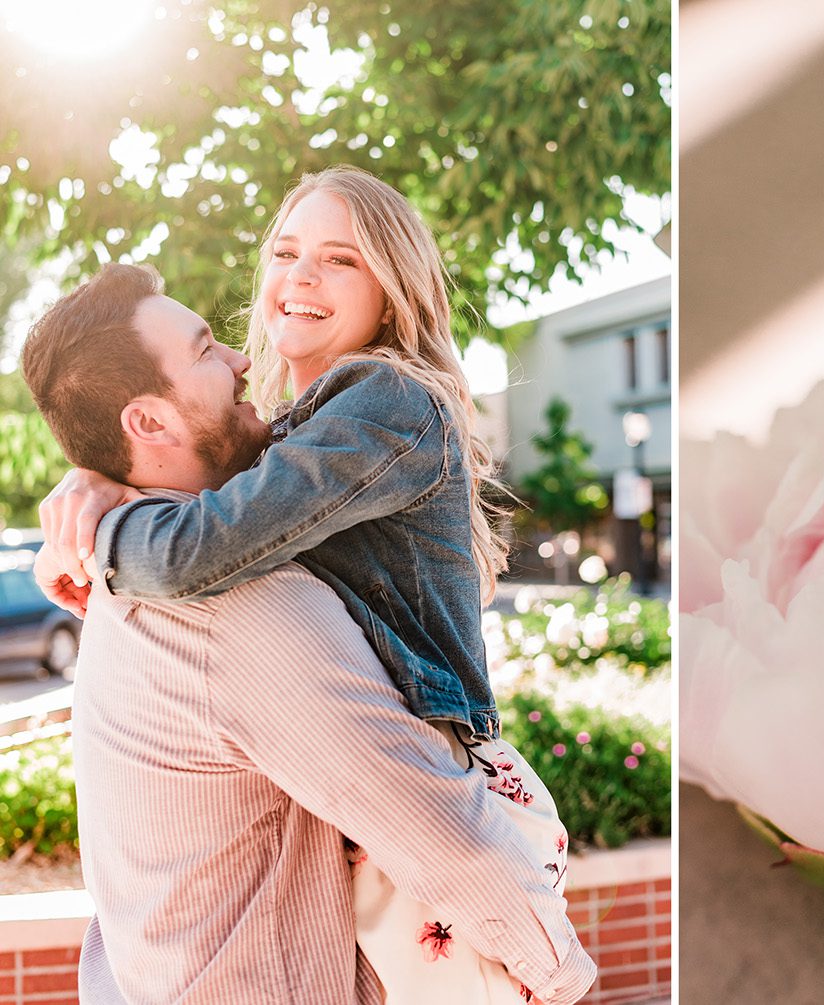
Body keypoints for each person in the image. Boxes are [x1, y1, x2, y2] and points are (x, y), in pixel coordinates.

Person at [34, 166, 584, 1003]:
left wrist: (103, 530)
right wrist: (95, 482)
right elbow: (213, 502)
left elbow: (203, 544)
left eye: (340, 259)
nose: (300, 276)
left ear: (393, 295)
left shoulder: (387, 399)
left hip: (450, 755)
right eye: (287, 251)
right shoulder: (293, 433)